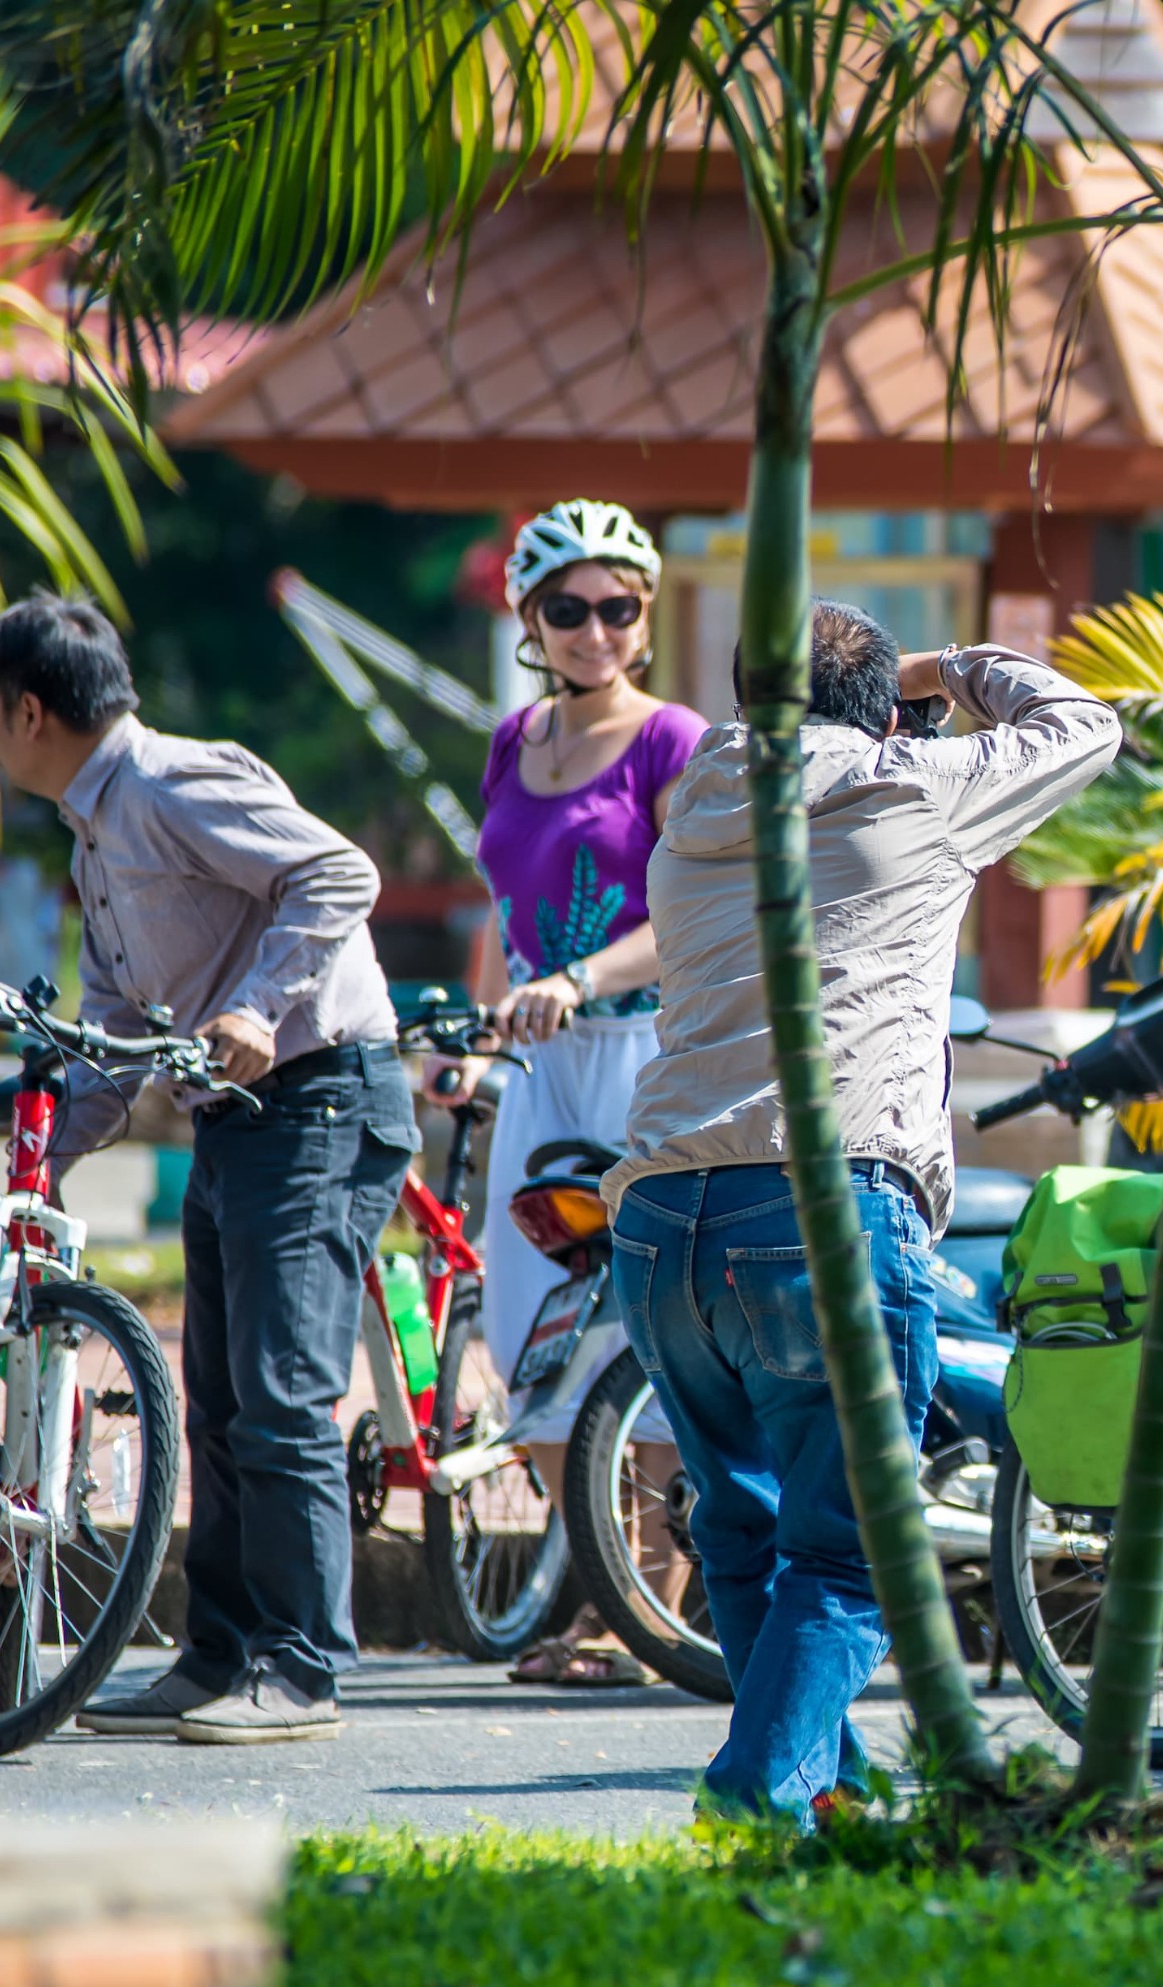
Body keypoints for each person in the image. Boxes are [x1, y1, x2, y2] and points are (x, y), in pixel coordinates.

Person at [605, 602, 1117, 1822]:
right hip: (820, 1207)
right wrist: (950, 671)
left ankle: (820, 1789)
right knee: (850, 1549)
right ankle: (755, 1796)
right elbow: (1083, 727)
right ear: (885, 710)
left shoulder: (688, 818)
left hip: (660, 1216)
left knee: (743, 1525)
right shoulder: (911, 789)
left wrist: (882, 697)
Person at [0, 595, 412, 1746]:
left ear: (28, 711)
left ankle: (304, 1667)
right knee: (217, 1404)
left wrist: (259, 1006)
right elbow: (118, 1022)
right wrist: (42, 1159)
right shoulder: (95, 827)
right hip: (242, 1119)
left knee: (278, 1394)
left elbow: (338, 874)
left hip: (321, 1096)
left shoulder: (171, 782)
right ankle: (217, 1652)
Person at [447, 499, 706, 1688]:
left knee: (641, 1331)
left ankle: (642, 1610)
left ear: (645, 615)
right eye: (570, 608)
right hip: (536, 1070)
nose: (597, 630)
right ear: (529, 619)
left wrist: (576, 979)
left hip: (644, 1060)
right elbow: (503, 900)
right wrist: (475, 1030)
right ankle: (604, 1583)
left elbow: (697, 911)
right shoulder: (513, 740)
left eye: (620, 607)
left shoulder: (674, 743)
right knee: (526, 1330)